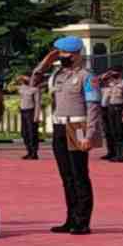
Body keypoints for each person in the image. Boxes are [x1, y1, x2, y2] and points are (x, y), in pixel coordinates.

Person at [32, 37, 102, 235]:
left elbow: (93, 107)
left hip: (78, 126)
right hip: (60, 127)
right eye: (59, 53)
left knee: (79, 175)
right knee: (66, 176)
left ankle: (82, 221)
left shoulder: (87, 77)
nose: (61, 57)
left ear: (76, 54)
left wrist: (89, 134)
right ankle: (70, 218)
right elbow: (33, 82)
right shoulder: (57, 75)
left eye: (65, 54)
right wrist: (45, 63)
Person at [100, 68, 123, 162]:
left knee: (120, 132)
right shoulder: (110, 83)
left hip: (119, 108)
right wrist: (108, 73)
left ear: (119, 73)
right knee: (113, 132)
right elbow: (100, 79)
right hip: (111, 108)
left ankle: (122, 155)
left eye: (115, 73)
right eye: (113, 73)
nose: (113, 74)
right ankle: (116, 154)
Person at [17, 75, 43, 160]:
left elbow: (38, 103)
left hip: (31, 112)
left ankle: (34, 153)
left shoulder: (35, 90)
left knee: (32, 133)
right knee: (24, 133)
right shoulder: (22, 88)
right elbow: (18, 79)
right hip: (23, 112)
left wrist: (36, 116)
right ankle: (28, 151)